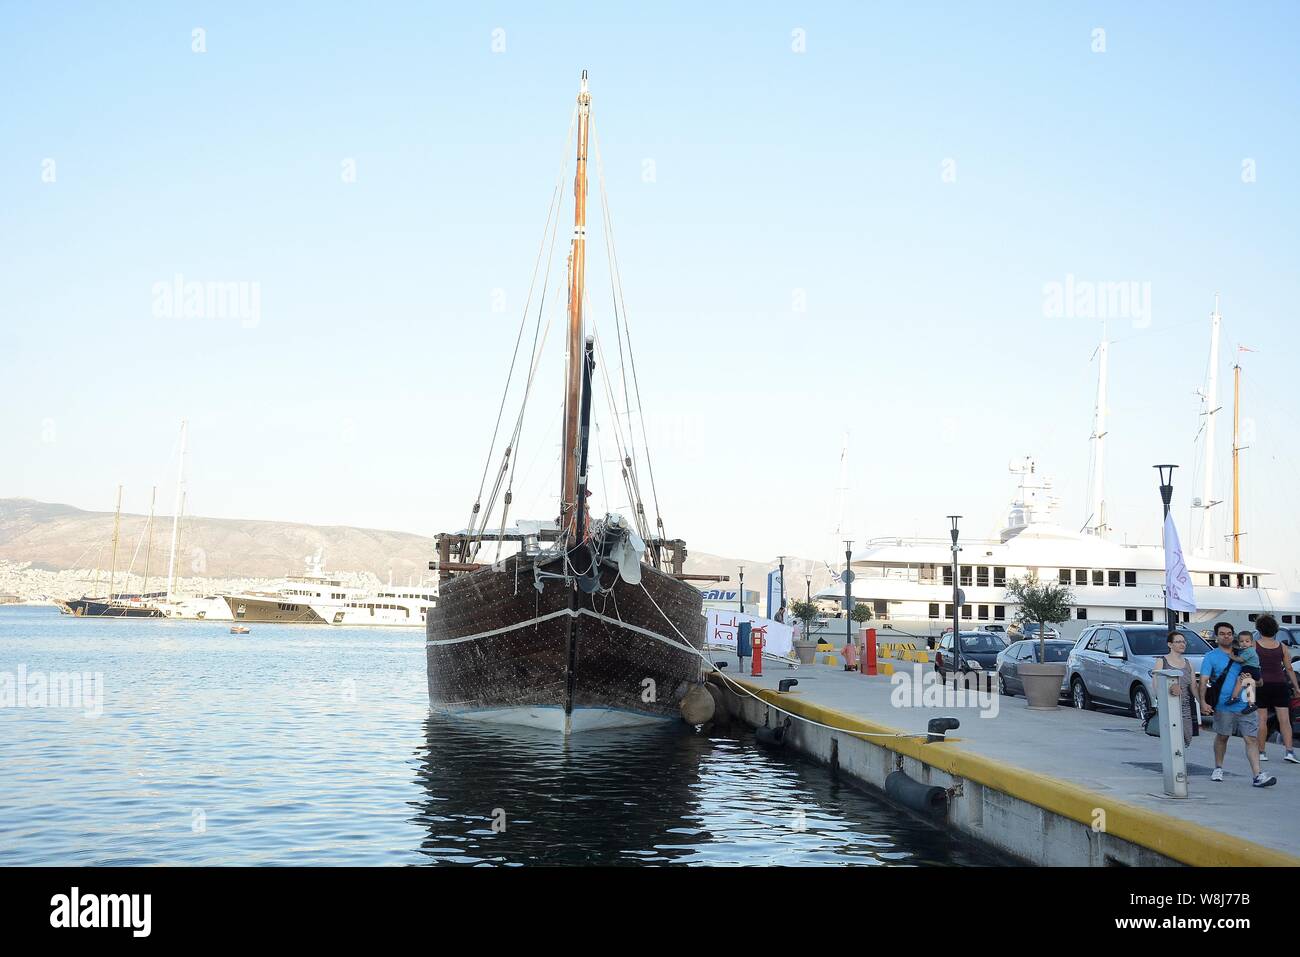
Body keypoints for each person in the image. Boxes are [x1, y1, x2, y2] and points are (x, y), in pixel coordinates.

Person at [1199, 621, 1276, 787]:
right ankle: (1218, 768)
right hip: (1223, 705)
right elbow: (1204, 680)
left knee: (1251, 739)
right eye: (1222, 633)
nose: (1226, 636)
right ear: (1216, 636)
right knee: (1222, 737)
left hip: (1246, 705)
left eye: (1229, 633)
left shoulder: (1246, 653)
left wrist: (1251, 680)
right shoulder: (1211, 657)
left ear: (1233, 635)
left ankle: (1257, 775)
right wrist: (1203, 702)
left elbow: (1260, 682)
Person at [1253, 614, 1300, 763]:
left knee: (1261, 719)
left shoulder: (1254, 646)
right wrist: (1297, 687)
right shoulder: (1282, 647)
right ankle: (1289, 751)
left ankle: (1261, 752)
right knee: (1284, 720)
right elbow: (1289, 669)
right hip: (1280, 684)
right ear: (1275, 630)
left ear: (1258, 629)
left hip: (1261, 684)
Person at [1155, 630, 1199, 748]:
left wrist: (1202, 702)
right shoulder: (1161, 661)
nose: (1182, 644)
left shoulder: (1189, 663)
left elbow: (1193, 686)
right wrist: (1169, 689)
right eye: (1178, 642)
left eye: (1184, 642)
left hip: (1185, 706)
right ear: (1170, 644)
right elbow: (1156, 685)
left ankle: (1180, 763)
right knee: (1172, 739)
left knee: (1186, 738)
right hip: (1168, 706)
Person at [1228, 631, 1262, 706]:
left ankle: (1234, 697)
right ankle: (1251, 703)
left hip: (1250, 668)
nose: (1244, 643)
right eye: (1241, 641)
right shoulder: (1247, 650)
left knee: (1240, 680)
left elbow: (1241, 660)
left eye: (1247, 641)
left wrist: (1232, 656)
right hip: (1255, 670)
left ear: (1252, 643)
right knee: (1248, 684)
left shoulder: (1249, 650)